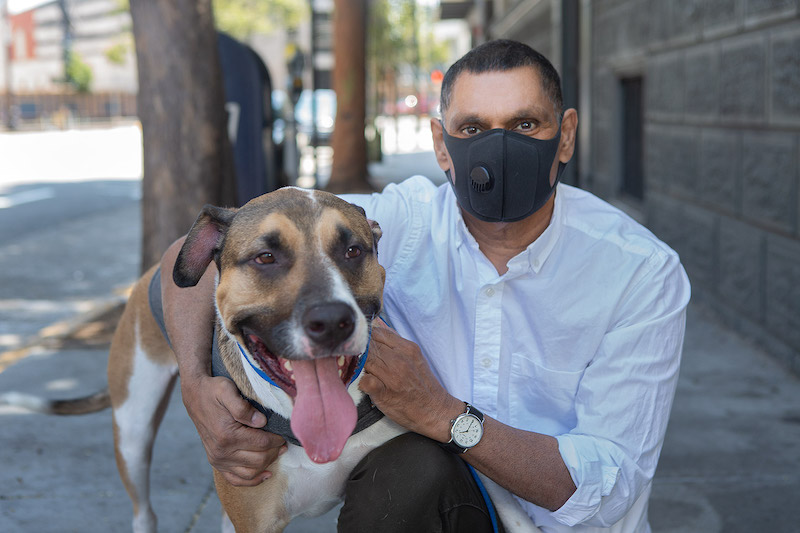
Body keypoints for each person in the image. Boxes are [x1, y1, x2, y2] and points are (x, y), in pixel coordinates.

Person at [160, 39, 690, 532]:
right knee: (404, 470)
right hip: (445, 505)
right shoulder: (387, 223)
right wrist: (196, 387)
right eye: (472, 128)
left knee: (413, 451)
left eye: (525, 125)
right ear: (441, 144)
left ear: (566, 134)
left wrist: (443, 415)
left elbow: (613, 485)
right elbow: (191, 254)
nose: (498, 149)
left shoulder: (641, 273)